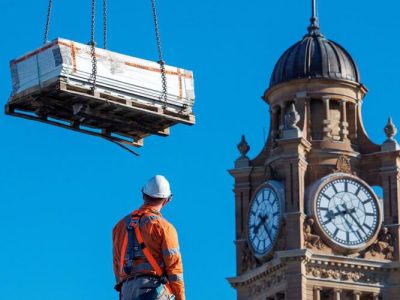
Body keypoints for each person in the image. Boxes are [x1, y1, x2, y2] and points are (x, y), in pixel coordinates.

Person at [112, 175, 185, 300]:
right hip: (153, 291)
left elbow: (117, 264)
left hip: (126, 291)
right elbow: (174, 269)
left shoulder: (119, 227)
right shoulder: (165, 228)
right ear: (167, 200)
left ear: (143, 194)